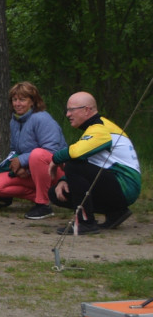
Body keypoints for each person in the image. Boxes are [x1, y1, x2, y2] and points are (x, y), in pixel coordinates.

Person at [49, 92, 142, 235]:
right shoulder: (96, 128)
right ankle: (116, 213)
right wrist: (64, 180)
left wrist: (55, 159)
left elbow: (76, 153)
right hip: (118, 184)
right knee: (57, 192)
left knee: (73, 165)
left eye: (71, 110)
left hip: (125, 185)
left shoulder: (99, 127)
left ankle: (86, 223)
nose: (68, 114)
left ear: (87, 110)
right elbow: (87, 161)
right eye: (67, 110)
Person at [0, 81, 67, 220]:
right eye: (14, 100)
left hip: (55, 171)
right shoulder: (15, 120)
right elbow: (14, 150)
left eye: (22, 99)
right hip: (31, 170)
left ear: (33, 101)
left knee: (37, 154)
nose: (17, 103)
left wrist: (23, 161)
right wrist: (17, 167)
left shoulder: (42, 118)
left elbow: (52, 152)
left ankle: (43, 204)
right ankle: (47, 196)